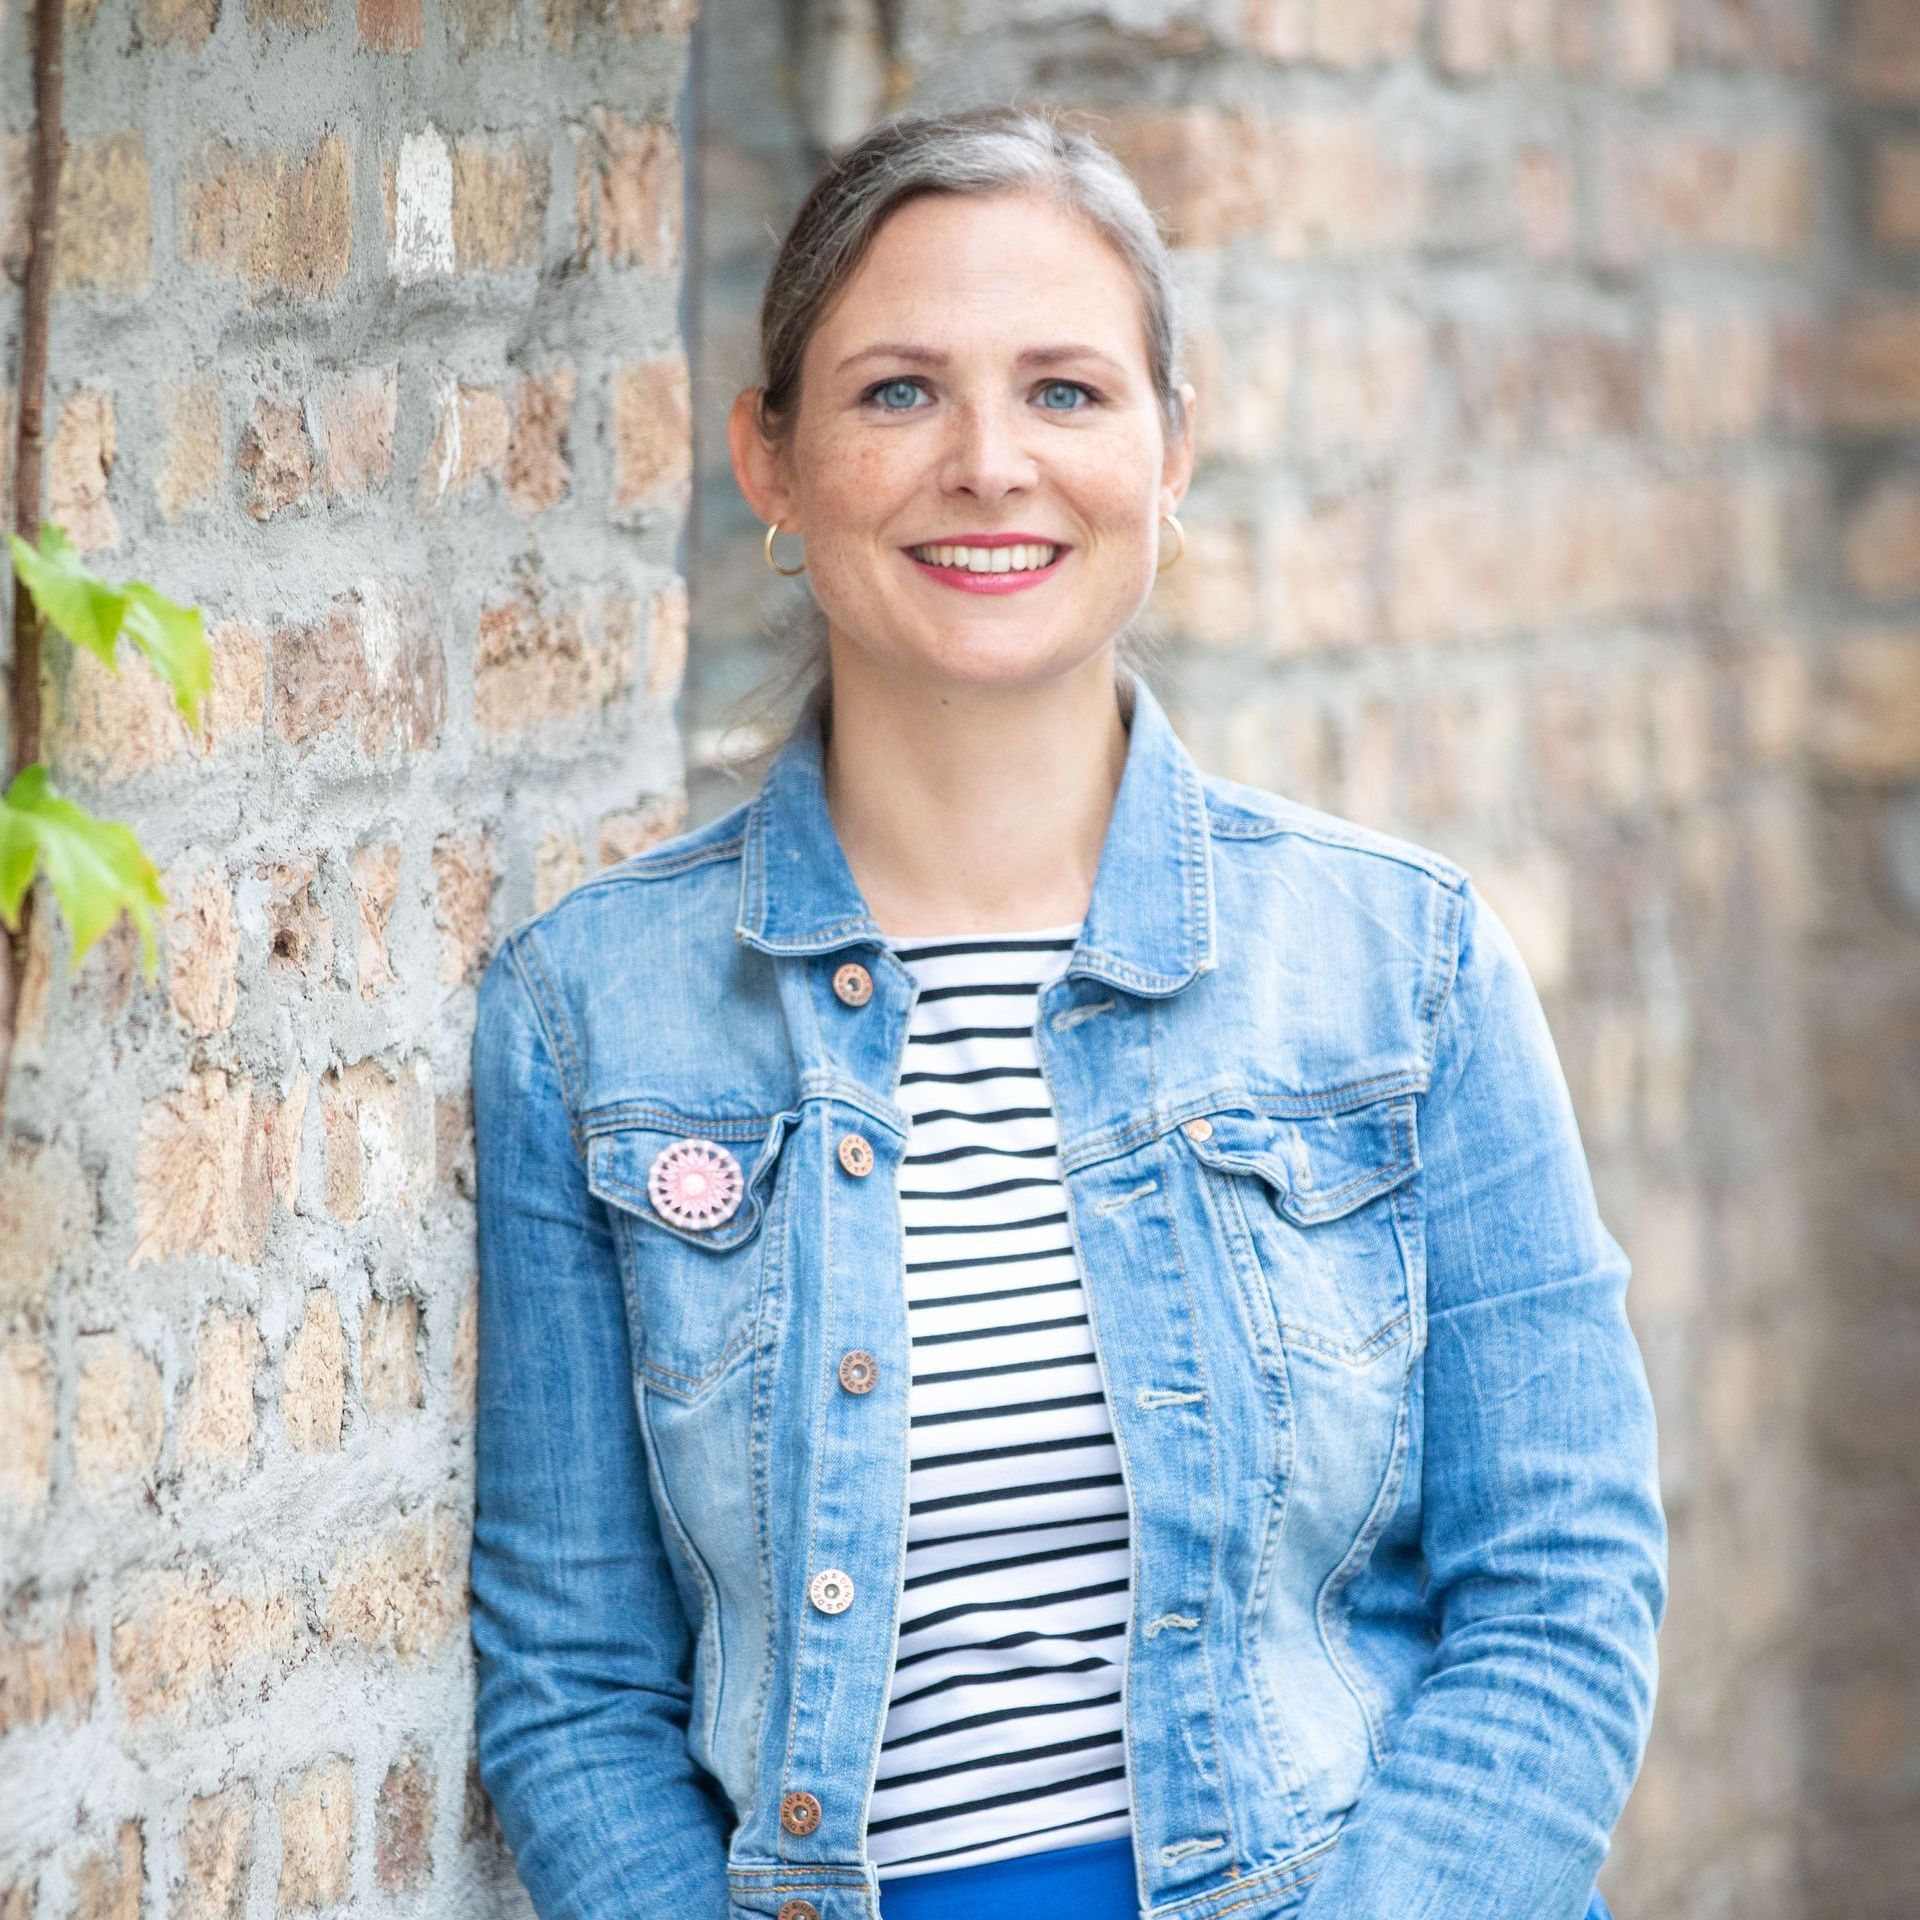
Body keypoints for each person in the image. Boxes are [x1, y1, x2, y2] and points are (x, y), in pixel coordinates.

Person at [469, 103, 1666, 1920]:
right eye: (896, 393)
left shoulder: (1400, 966)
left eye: (1065, 392)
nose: (987, 463)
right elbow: (574, 1694)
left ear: (1172, 450)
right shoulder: (591, 1020)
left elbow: (1562, 1598)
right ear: (767, 460)